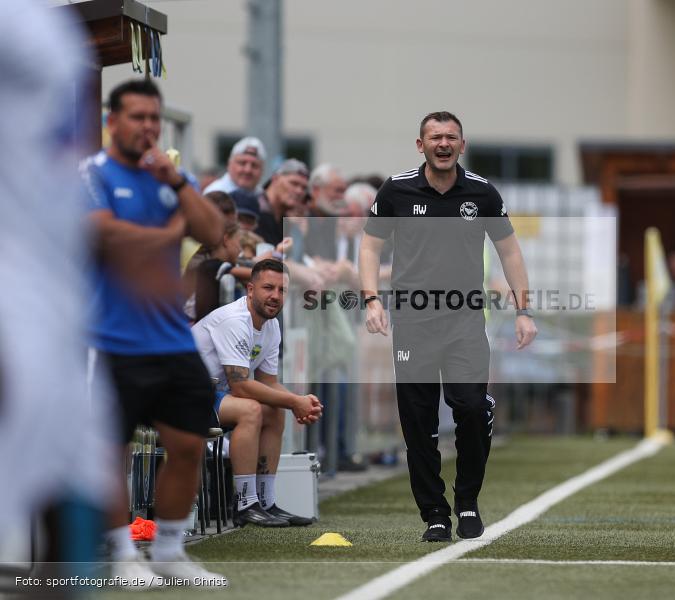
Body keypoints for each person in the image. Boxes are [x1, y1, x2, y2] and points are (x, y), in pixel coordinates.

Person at [359, 111, 537, 541]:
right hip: (413, 322)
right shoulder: (397, 190)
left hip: (464, 321)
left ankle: (468, 500)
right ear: (420, 144)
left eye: (450, 137)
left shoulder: (482, 193)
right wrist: (371, 300)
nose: (443, 143)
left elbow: (510, 253)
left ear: (463, 144)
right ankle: (435, 513)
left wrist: (523, 311)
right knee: (418, 421)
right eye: (434, 137)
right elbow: (369, 248)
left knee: (471, 408)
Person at [83, 78, 227, 587]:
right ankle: (122, 553)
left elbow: (214, 235)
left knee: (187, 446)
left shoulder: (169, 178)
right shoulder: (94, 174)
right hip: (112, 340)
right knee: (111, 454)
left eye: (153, 118)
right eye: (137, 116)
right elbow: (107, 234)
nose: (147, 127)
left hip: (171, 339)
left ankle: (168, 550)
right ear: (112, 121)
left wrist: (181, 184)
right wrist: (169, 232)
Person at [0, 1, 118, 589]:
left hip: (44, 295)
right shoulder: (36, 29)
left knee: (73, 471)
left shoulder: (39, 30)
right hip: (29, 292)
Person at [192, 260, 323, 527]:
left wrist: (301, 403)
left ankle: (266, 502)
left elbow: (268, 383)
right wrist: (293, 401)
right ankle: (245, 504)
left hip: (213, 395)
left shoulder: (271, 325)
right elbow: (240, 385)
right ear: (250, 290)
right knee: (250, 409)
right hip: (185, 395)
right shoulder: (234, 320)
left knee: (274, 410)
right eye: (268, 288)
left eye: (282, 290)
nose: (275, 295)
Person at [257, 158, 310, 246]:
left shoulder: (288, 221)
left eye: (304, 188)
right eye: (294, 183)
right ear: (275, 179)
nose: (299, 191)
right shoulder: (253, 210)